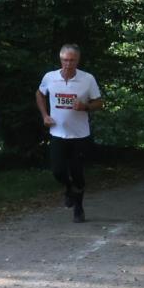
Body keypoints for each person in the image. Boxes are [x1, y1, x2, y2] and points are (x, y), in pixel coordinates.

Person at [35, 44, 104, 223]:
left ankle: (79, 208)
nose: (68, 63)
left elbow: (99, 103)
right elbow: (39, 94)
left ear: (77, 60)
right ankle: (68, 188)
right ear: (60, 59)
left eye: (72, 60)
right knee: (58, 171)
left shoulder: (87, 79)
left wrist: (86, 106)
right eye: (65, 60)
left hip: (80, 135)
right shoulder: (50, 77)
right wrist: (45, 115)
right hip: (58, 133)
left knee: (78, 172)